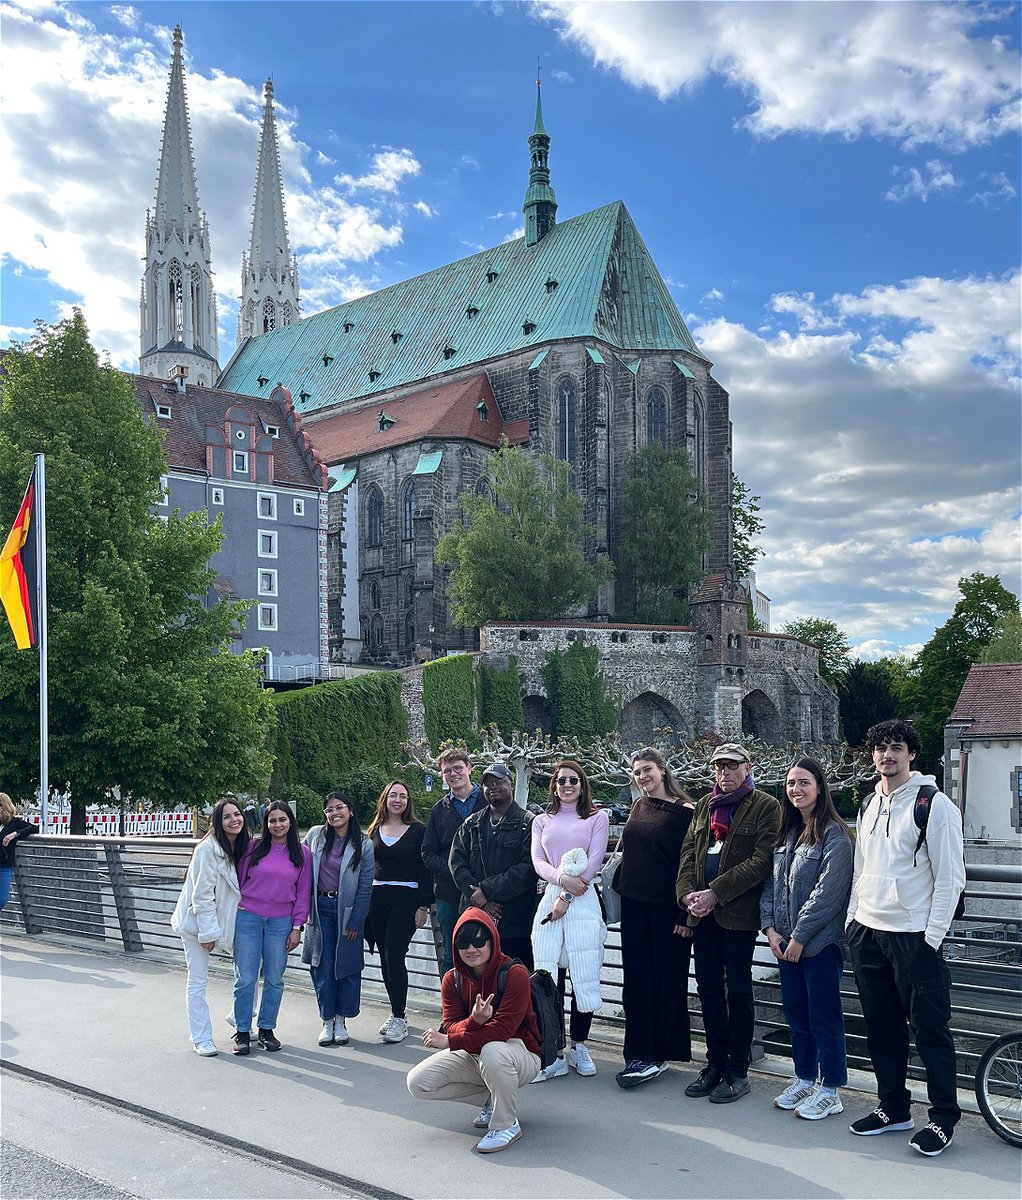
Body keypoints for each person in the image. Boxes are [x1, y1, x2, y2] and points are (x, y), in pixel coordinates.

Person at [846, 719, 965, 1156]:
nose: (886, 756)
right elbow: (861, 865)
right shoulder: (869, 803)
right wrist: (853, 919)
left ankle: (943, 1120)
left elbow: (951, 878)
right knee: (881, 1029)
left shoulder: (934, 805)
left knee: (931, 1030)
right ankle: (893, 1107)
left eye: (896, 748)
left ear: (911, 754)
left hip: (914, 937)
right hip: (869, 932)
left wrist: (931, 939)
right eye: (880, 749)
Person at [677, 742, 780, 1103]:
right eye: (720, 767)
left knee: (737, 990)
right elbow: (690, 852)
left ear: (747, 768)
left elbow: (761, 861)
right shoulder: (705, 805)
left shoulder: (766, 806)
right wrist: (687, 894)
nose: (725, 773)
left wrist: (714, 893)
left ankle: (738, 1070)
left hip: (736, 916)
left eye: (732, 766)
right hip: (701, 915)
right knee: (707, 990)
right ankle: (714, 1064)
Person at [407, 908, 542, 1154]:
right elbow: (451, 1024)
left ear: (492, 940)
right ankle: (492, 1100)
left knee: (493, 1051)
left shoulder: (515, 974)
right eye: (463, 943)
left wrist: (450, 1041)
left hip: (520, 1054)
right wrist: (474, 1021)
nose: (471, 949)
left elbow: (502, 1031)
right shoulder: (452, 979)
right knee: (419, 1083)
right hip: (475, 1051)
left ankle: (506, 1125)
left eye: (479, 941)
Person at [761, 758, 853, 1119]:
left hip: (819, 944)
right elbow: (769, 884)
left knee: (824, 1015)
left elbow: (828, 894)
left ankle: (831, 1088)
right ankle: (803, 1078)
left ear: (819, 787)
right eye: (790, 783)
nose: (796, 789)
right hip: (784, 943)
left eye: (804, 783)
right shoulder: (786, 833)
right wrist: (770, 930)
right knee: (796, 1013)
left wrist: (798, 937)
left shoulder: (835, 835)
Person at [613, 747, 696, 1089]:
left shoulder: (686, 812)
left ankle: (661, 1052)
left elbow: (690, 865)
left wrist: (685, 914)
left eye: (647, 769)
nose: (642, 776)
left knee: (667, 980)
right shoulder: (638, 805)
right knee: (636, 980)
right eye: (637, 772)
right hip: (635, 906)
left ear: (663, 770)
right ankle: (638, 1053)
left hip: (668, 910)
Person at [529, 759, 609, 1082]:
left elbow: (594, 861)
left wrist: (569, 895)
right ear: (554, 784)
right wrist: (562, 881)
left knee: (582, 973)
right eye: (562, 780)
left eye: (573, 780)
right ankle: (554, 1051)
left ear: (582, 784)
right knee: (549, 979)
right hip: (552, 896)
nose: (567, 785)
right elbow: (538, 861)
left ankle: (579, 1044)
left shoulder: (597, 818)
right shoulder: (541, 821)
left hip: (583, 899)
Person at [232, 800, 312, 1054]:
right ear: (266, 823)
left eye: (282, 819)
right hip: (248, 918)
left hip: (281, 922)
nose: (278, 825)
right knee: (245, 978)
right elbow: (237, 879)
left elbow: (303, 892)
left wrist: (297, 926)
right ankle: (242, 1031)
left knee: (275, 978)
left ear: (290, 822)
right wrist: (237, 904)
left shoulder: (302, 853)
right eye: (273, 820)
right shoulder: (253, 848)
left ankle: (267, 1029)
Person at [170, 798, 249, 1056]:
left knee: (251, 968)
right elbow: (201, 895)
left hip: (227, 921)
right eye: (227, 816)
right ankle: (201, 1037)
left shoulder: (242, 846)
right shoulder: (207, 849)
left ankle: (240, 1017)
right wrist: (207, 933)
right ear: (217, 821)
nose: (234, 819)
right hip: (196, 924)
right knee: (198, 981)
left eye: (237, 814)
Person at [302, 791, 375, 1047]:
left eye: (340, 807)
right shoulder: (315, 836)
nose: (335, 813)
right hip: (319, 909)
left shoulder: (363, 844)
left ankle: (342, 1019)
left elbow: (366, 885)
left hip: (346, 910)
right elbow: (300, 869)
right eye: (330, 809)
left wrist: (357, 920)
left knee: (346, 965)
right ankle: (327, 1020)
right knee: (321, 964)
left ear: (350, 811)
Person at [449, 763, 538, 968]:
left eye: (499, 782)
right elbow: (456, 863)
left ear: (511, 783)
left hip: (514, 923)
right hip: (476, 920)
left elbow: (528, 869)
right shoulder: (472, 824)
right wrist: (480, 899)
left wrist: (487, 890)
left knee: (516, 979)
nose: (493, 787)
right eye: (488, 784)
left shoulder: (528, 823)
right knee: (476, 981)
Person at [366, 780, 433, 1044]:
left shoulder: (418, 831)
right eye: (393, 795)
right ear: (385, 799)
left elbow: (425, 869)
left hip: (406, 898)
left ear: (408, 801)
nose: (397, 800)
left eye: (403, 796)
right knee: (384, 956)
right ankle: (395, 1012)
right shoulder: (374, 829)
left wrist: (424, 905)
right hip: (377, 898)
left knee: (395, 954)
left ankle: (400, 1016)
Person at [422, 748, 486, 976]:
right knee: (450, 954)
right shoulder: (439, 810)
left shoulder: (488, 801)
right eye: (447, 771)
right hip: (448, 893)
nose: (453, 774)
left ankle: (481, 1006)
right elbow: (428, 853)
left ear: (469, 768)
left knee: (484, 950)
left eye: (458, 768)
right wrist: (457, 874)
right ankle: (453, 1008)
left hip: (485, 891)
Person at [0, 792, 38, 911]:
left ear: (2, 807)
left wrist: (14, 834)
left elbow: (33, 828)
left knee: (2, 899)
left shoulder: (15, 823)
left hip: (4, 866)